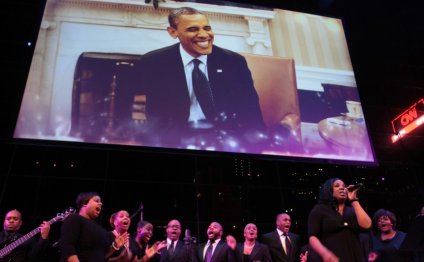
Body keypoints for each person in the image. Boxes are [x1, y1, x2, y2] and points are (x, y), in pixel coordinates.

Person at [138, 7, 265, 149]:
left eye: (207, 28)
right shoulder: (154, 62)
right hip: (177, 137)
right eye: (193, 29)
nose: (204, 35)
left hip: (226, 136)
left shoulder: (233, 61)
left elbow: (250, 110)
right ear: (173, 32)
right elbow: (156, 114)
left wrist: (256, 145)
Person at [308, 178, 372, 262]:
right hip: (333, 258)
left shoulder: (352, 210)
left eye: (344, 186)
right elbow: (312, 237)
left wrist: (354, 200)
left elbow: (367, 226)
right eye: (337, 186)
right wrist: (325, 253)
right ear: (329, 190)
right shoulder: (320, 209)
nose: (342, 188)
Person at [60, 192, 128, 262]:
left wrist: (115, 246)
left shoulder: (100, 229)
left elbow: (103, 255)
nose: (101, 204)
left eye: (101, 202)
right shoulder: (74, 218)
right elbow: (68, 247)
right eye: (97, 201)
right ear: (84, 203)